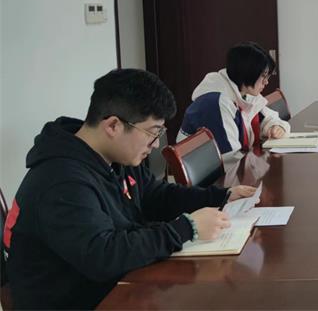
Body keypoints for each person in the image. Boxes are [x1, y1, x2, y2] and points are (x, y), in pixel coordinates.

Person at [3, 69, 256, 309]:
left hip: (123, 285)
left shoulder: (115, 156)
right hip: (84, 301)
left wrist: (220, 196)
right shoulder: (61, 181)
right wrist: (186, 228)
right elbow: (103, 256)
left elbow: (155, 195)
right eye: (152, 133)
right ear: (113, 126)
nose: (155, 145)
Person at [178, 42, 290, 158]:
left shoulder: (244, 94)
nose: (266, 82)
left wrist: (276, 127)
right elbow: (230, 158)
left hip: (238, 164)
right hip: (218, 169)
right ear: (248, 72)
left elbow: (267, 118)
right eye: (263, 76)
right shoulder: (215, 103)